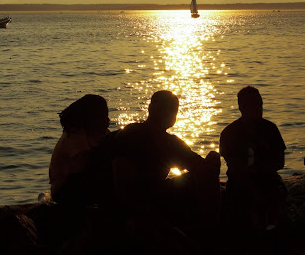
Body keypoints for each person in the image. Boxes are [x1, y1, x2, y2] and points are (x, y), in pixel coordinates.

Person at [110, 90, 220, 234]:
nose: (170, 113)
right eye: (167, 108)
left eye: (173, 109)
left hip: (156, 196)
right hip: (139, 204)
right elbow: (123, 185)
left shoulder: (171, 143)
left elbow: (199, 166)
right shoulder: (131, 135)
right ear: (151, 108)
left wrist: (212, 162)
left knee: (208, 168)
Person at [219, 86, 287, 238]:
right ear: (242, 107)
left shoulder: (270, 128)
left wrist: (261, 171)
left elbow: (280, 161)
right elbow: (234, 166)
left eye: (260, 104)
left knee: (276, 194)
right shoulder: (230, 132)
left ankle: (271, 228)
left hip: (268, 178)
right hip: (240, 181)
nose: (259, 109)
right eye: (254, 105)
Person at [49, 94, 113, 206]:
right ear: (90, 119)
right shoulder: (75, 136)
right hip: (64, 189)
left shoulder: (100, 133)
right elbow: (82, 167)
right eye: (103, 117)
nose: (107, 120)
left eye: (107, 116)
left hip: (84, 183)